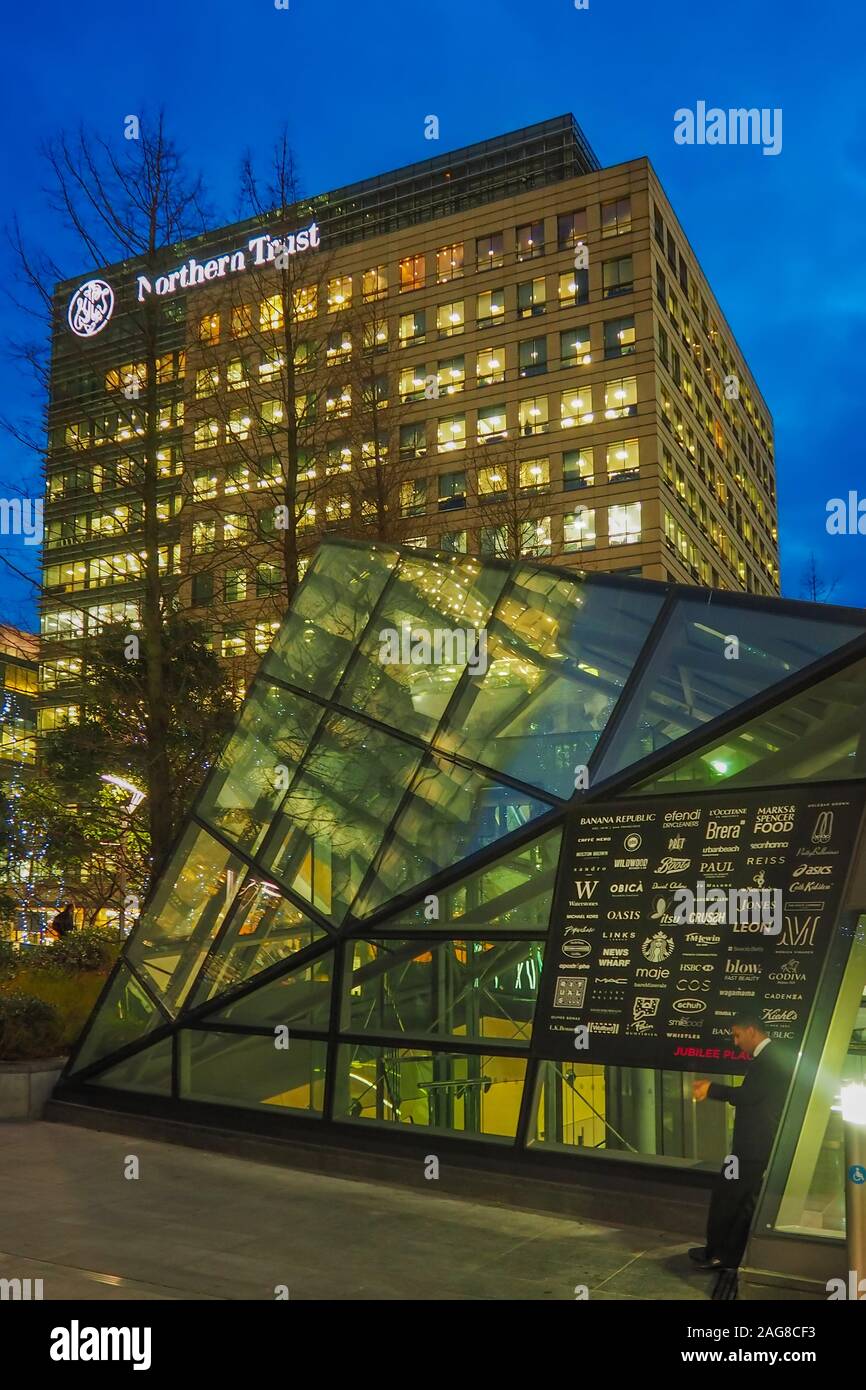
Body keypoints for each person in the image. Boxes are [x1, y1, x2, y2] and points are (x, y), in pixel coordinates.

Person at [688, 1012, 794, 1273]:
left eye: (737, 1035)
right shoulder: (770, 1058)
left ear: (752, 1030)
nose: (735, 1042)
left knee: (733, 1198)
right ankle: (722, 1252)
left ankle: (723, 1255)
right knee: (735, 1198)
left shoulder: (769, 1060)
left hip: (755, 1145)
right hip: (753, 1144)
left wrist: (711, 1090)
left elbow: (749, 1095)